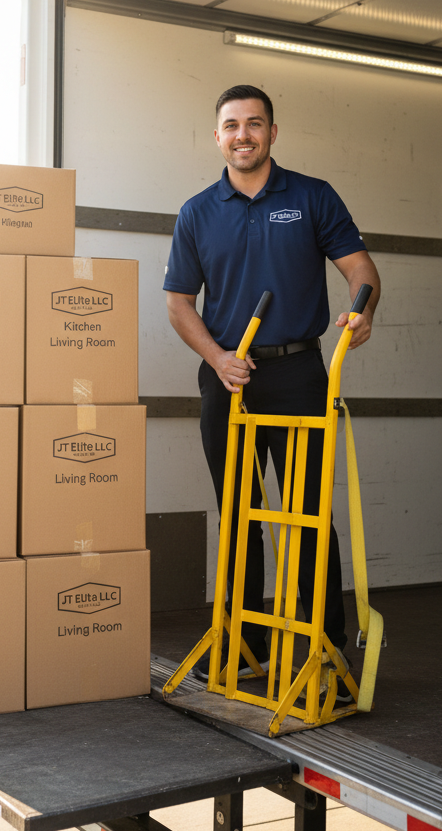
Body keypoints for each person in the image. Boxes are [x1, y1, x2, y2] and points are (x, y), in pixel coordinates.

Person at [163, 84, 380, 684]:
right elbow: (179, 302)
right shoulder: (197, 212)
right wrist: (218, 356)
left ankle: (324, 654)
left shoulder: (312, 197)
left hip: (298, 373)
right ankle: (243, 645)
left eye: (254, 124)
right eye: (231, 125)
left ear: (272, 133)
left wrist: (364, 307)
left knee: (309, 513)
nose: (243, 135)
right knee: (237, 512)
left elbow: (360, 267)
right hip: (228, 379)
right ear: (217, 137)